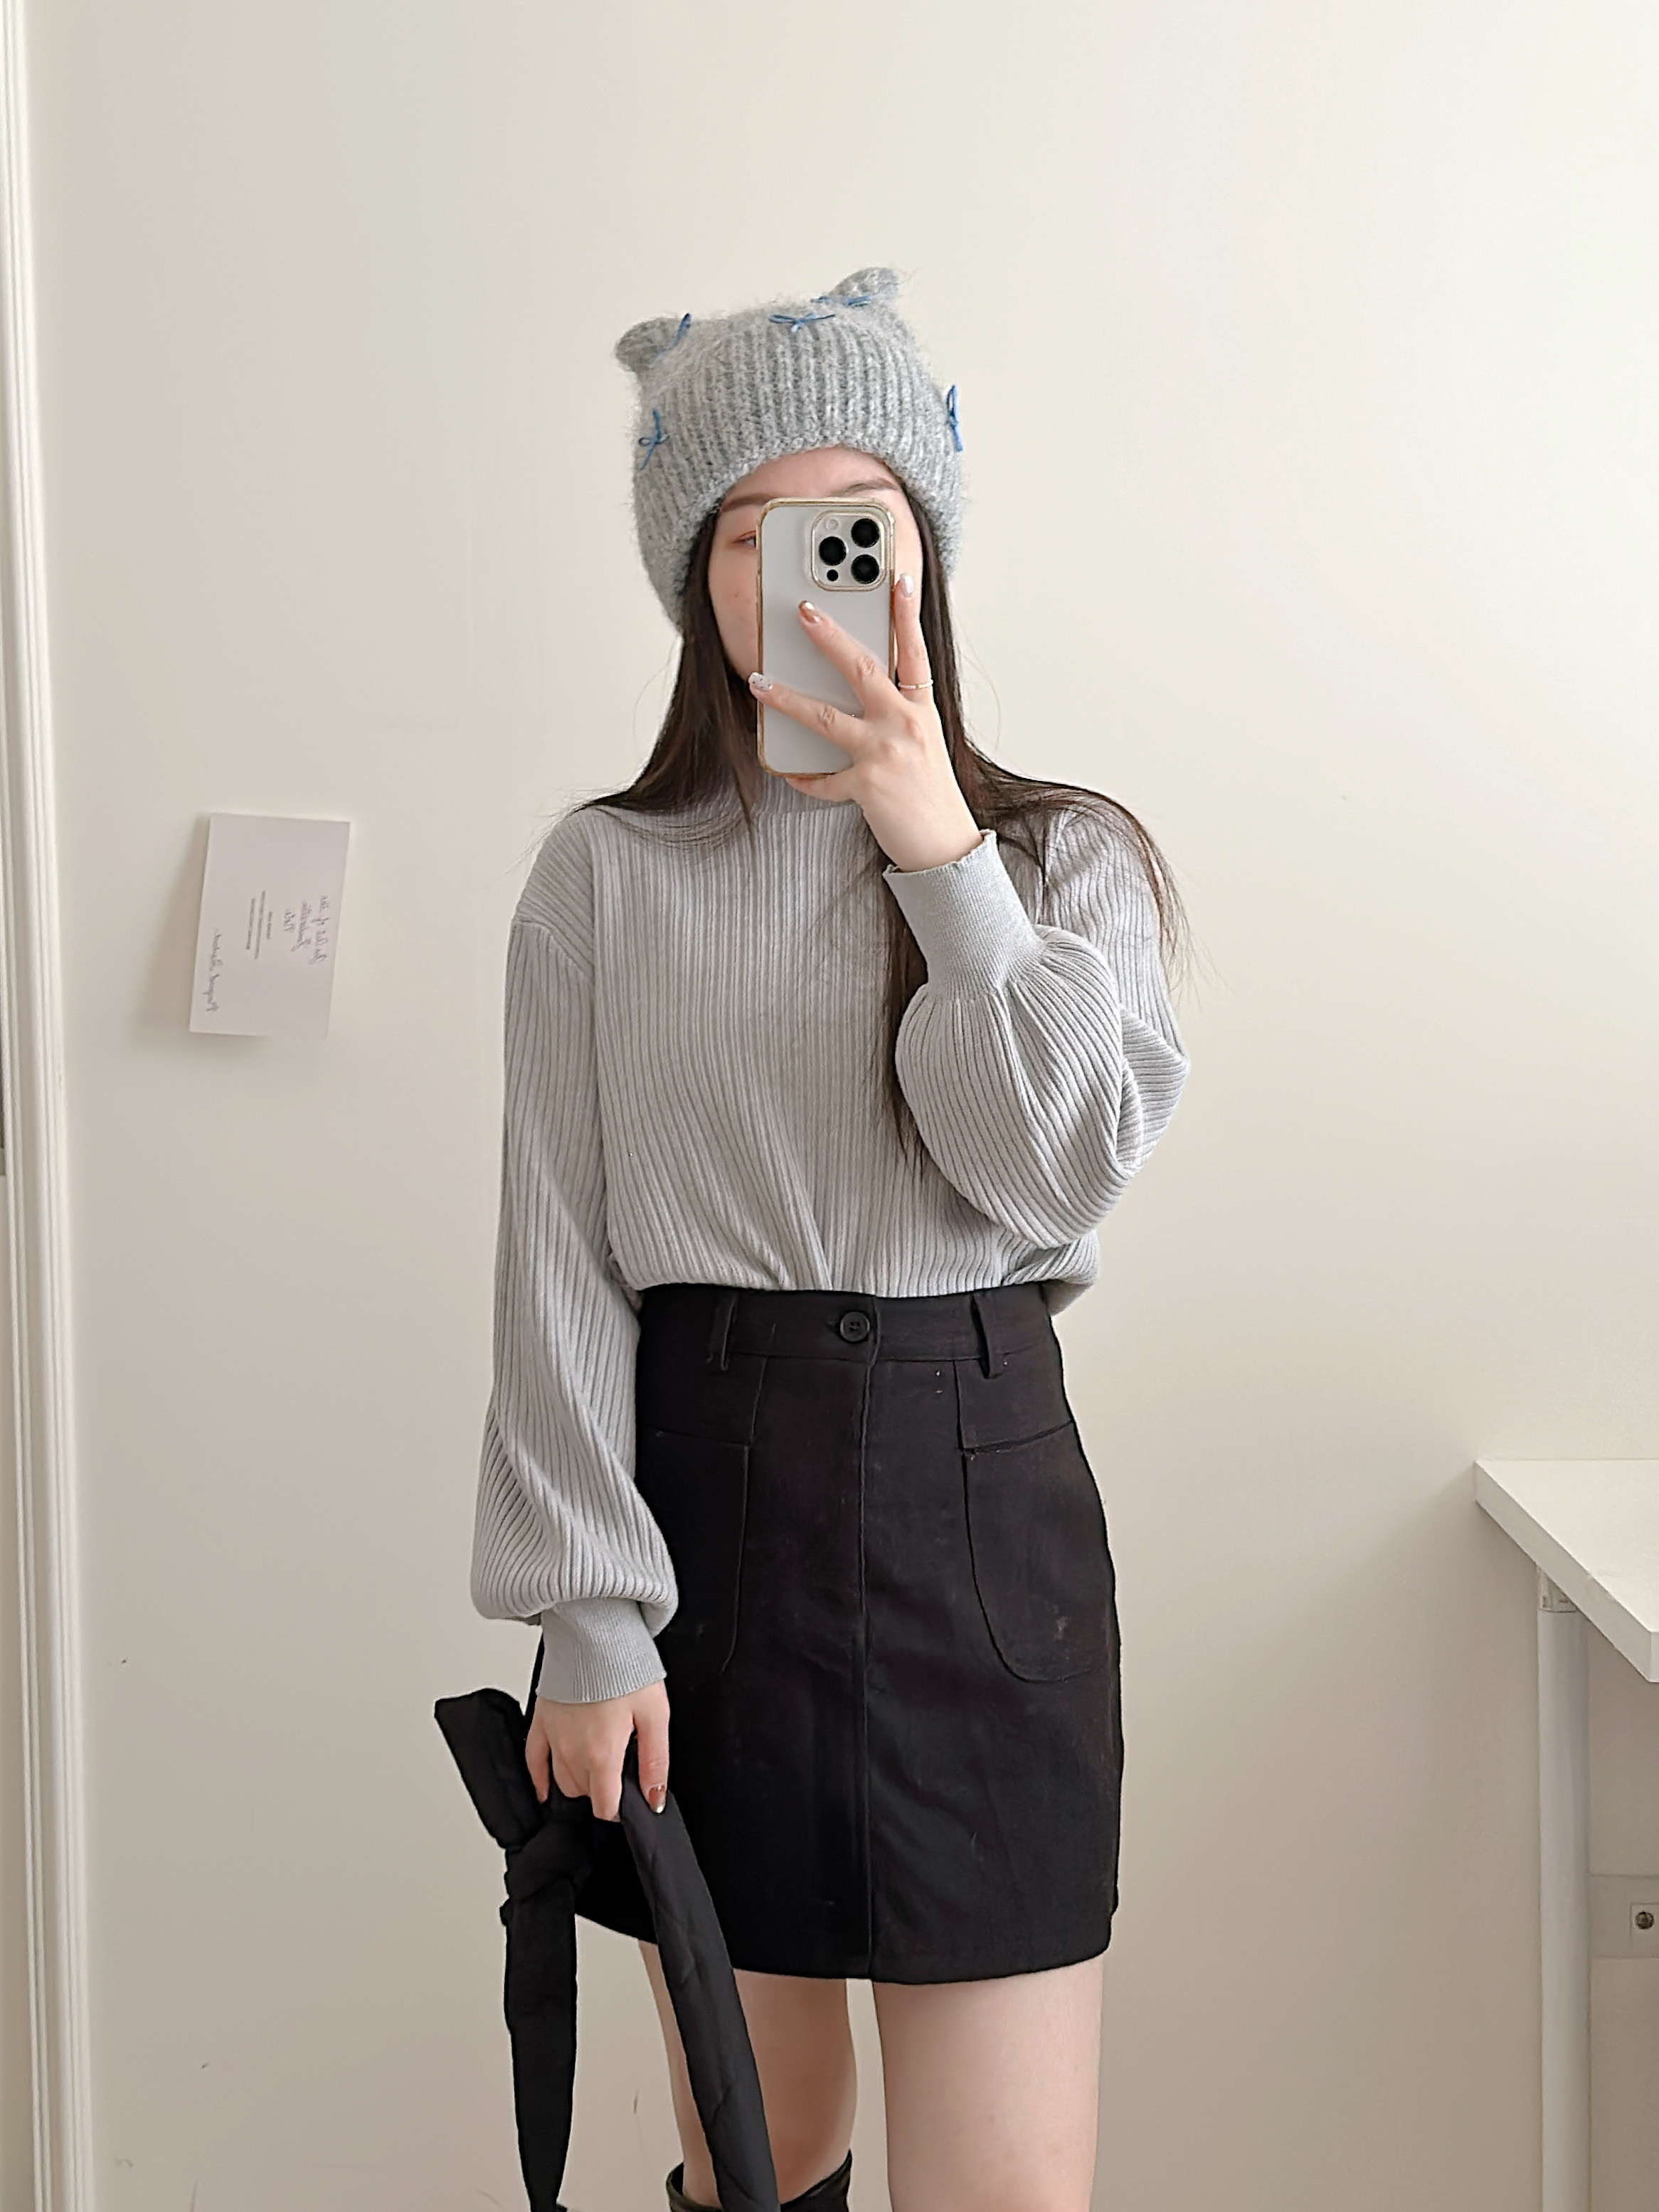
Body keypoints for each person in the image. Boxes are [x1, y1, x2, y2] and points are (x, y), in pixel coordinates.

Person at [470, 267, 1189, 2212]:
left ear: (921, 553)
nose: (803, 575)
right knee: (758, 2162)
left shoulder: (1065, 864)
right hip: (710, 1518)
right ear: (692, 583)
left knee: (1008, 2192)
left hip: (982, 1513)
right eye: (750, 535)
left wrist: (932, 846)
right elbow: (556, 1263)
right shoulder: (602, 879)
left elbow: (1050, 1171)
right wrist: (585, 1613)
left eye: (852, 525)